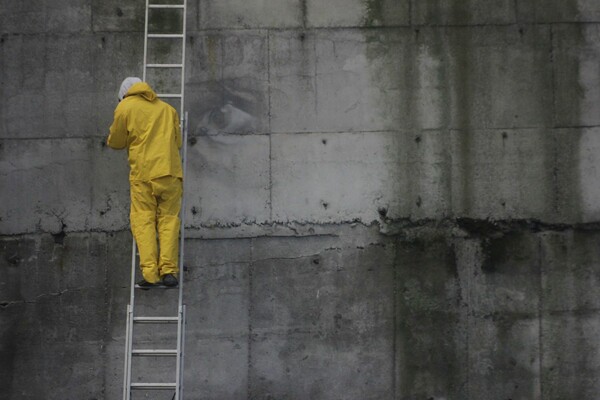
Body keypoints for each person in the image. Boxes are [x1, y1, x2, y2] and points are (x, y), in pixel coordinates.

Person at [107, 77, 183, 288]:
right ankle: (169, 271)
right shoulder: (168, 109)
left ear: (124, 93)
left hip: (144, 175)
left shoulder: (125, 107)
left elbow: (116, 142)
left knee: (144, 220)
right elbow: (178, 142)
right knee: (168, 221)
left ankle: (150, 275)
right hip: (170, 174)